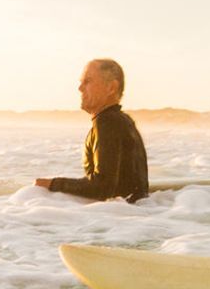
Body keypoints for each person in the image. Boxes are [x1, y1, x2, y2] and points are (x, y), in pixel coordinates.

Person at [36, 58, 151, 202]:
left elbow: (103, 187)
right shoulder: (122, 121)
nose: (80, 88)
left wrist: (53, 184)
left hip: (119, 217)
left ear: (111, 88)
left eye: (87, 81)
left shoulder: (108, 122)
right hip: (129, 214)